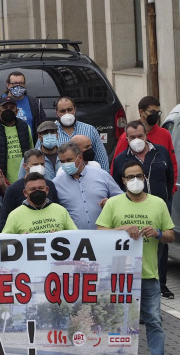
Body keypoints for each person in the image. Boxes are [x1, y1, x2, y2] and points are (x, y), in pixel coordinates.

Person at [97, 161, 174, 355]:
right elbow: (100, 232)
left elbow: (170, 235)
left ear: (145, 177)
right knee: (118, 322)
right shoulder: (114, 203)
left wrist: (157, 233)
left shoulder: (158, 203)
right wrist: (120, 230)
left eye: (139, 176)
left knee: (154, 321)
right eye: (130, 177)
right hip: (120, 276)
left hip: (148, 274)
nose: (135, 180)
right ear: (123, 181)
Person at [112, 120, 175, 298]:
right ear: (127, 137)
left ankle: (161, 285)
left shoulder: (161, 152)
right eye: (132, 137)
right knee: (137, 249)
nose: (137, 139)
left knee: (161, 247)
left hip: (158, 207)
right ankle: (136, 290)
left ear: (146, 135)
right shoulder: (121, 159)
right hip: (132, 211)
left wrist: (166, 197)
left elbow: (170, 176)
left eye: (140, 136)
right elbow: (116, 185)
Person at [53, 142, 122, 230]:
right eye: (62, 161)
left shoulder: (102, 175)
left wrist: (111, 202)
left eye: (69, 160)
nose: (66, 164)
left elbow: (121, 199)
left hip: (104, 234)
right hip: (74, 238)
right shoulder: (56, 183)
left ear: (80, 158)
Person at [111, 95, 177, 182]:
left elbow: (172, 164)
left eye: (158, 112)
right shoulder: (127, 137)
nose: (156, 115)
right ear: (141, 112)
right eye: (152, 112)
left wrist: (172, 189)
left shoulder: (165, 134)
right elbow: (116, 165)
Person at [0, 149, 61, 231]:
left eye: (42, 164)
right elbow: (4, 221)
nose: (40, 167)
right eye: (35, 164)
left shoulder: (50, 185)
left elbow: (56, 210)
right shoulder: (13, 189)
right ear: (25, 166)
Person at [0, 96, 33, 183]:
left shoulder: (25, 127)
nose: (8, 110)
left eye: (12, 108)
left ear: (17, 111)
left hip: (24, 180)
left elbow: (31, 152)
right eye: (5, 108)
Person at [2, 172, 76, 234]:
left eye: (41, 188)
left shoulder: (61, 211)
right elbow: (4, 243)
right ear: (25, 193)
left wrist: (60, 236)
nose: (37, 191)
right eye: (32, 189)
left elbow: (75, 236)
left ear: (47, 190)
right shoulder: (15, 216)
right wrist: (21, 241)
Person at [0, 71, 47, 139]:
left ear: (24, 85)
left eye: (21, 83)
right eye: (15, 83)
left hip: (27, 145)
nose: (18, 86)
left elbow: (43, 128)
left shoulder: (35, 104)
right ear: (8, 85)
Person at [54, 96, 109, 170]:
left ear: (75, 110)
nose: (67, 114)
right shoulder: (50, 132)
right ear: (56, 113)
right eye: (62, 111)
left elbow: (101, 159)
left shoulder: (90, 130)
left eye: (70, 110)